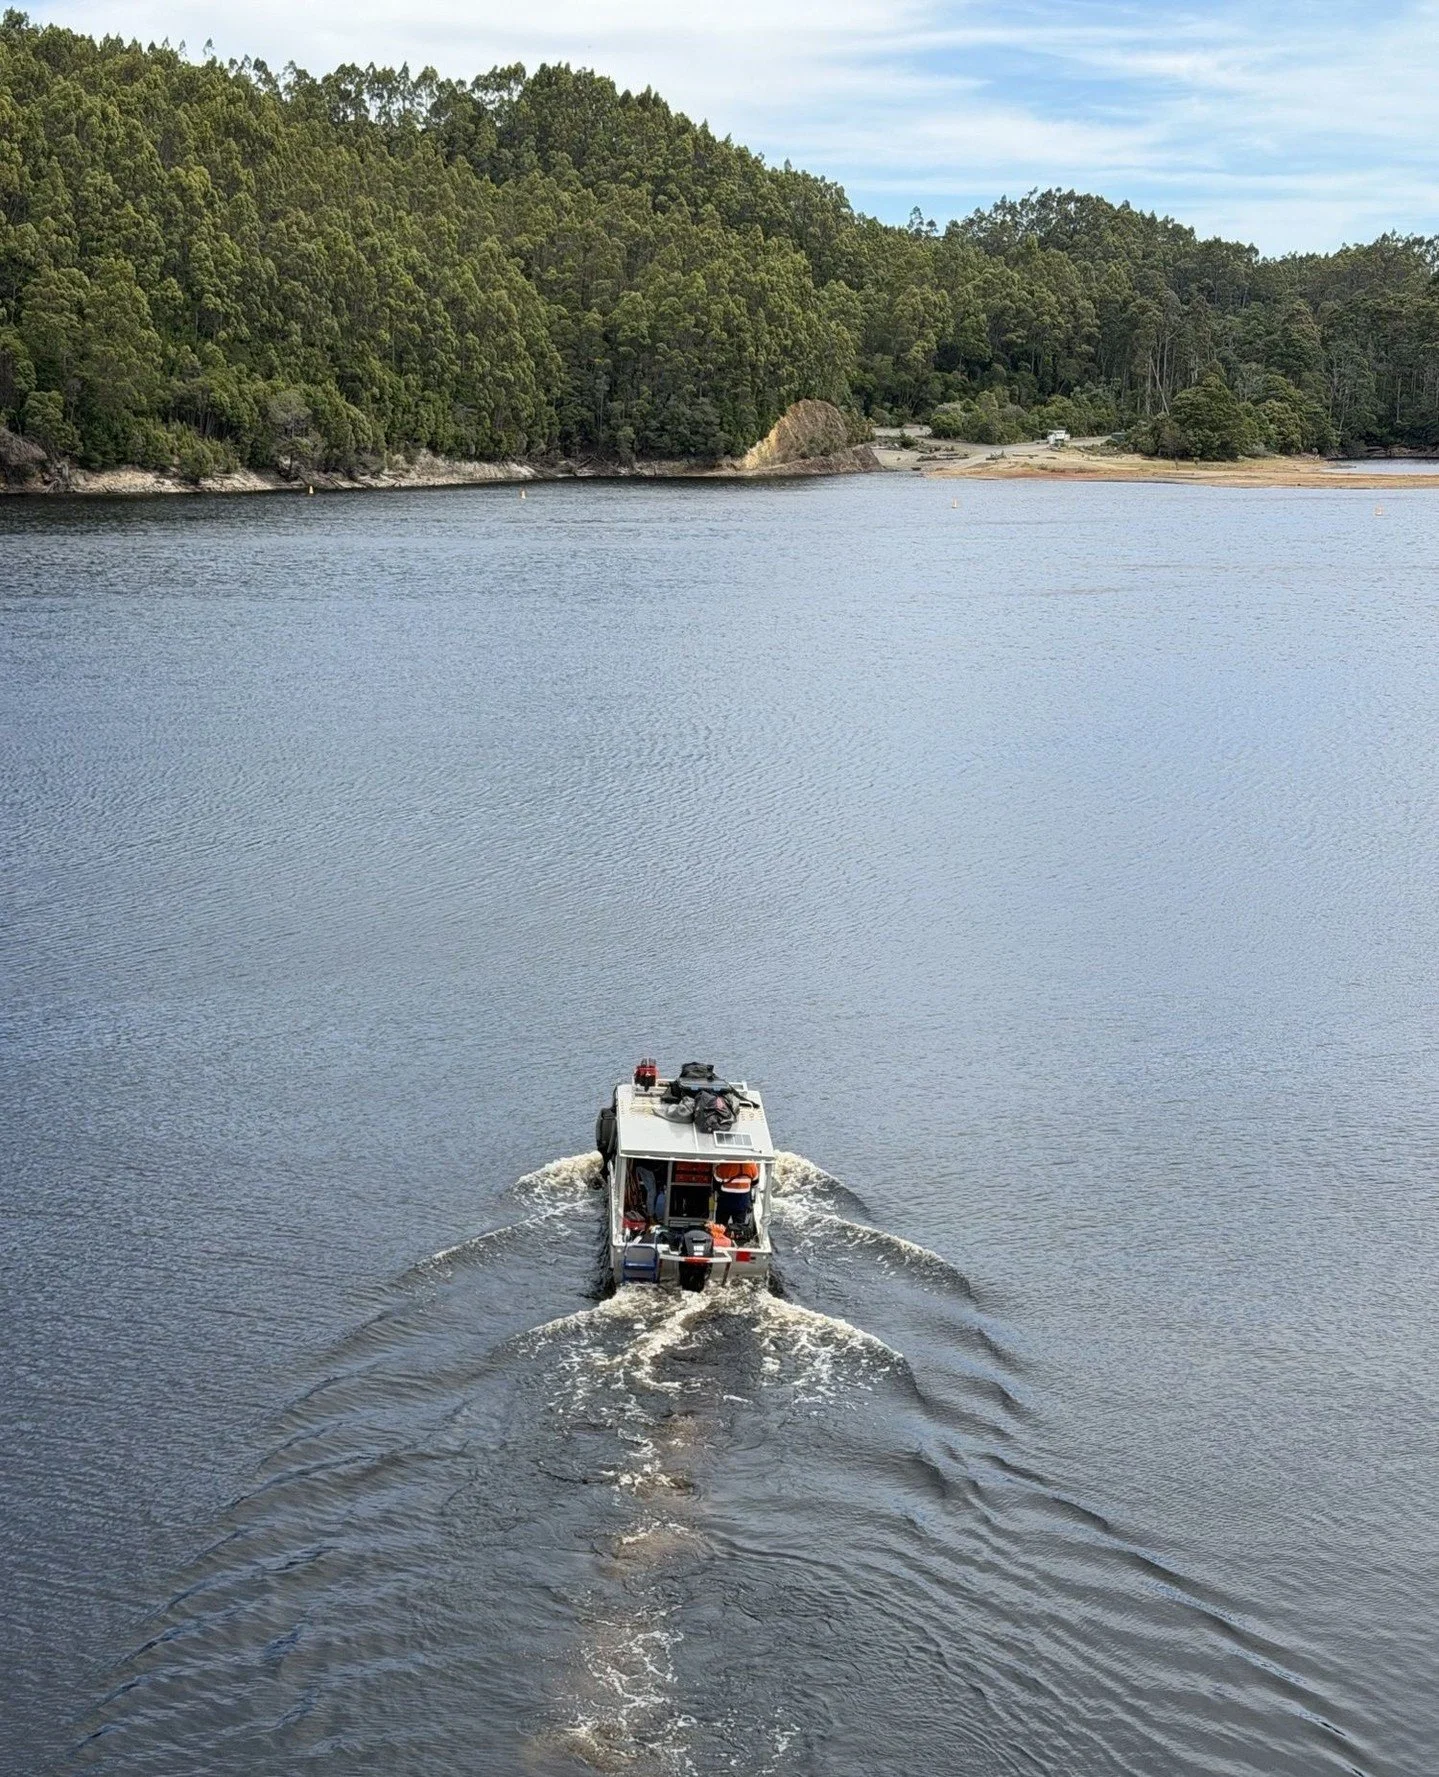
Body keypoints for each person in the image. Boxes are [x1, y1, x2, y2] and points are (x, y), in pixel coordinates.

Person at [714, 1162, 757, 1234]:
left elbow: (717, 1180)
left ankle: (720, 1239)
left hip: (725, 1200)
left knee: (720, 1225)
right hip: (742, 1201)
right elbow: (755, 1182)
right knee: (739, 1227)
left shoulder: (724, 1166)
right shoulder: (751, 1165)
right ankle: (736, 1241)